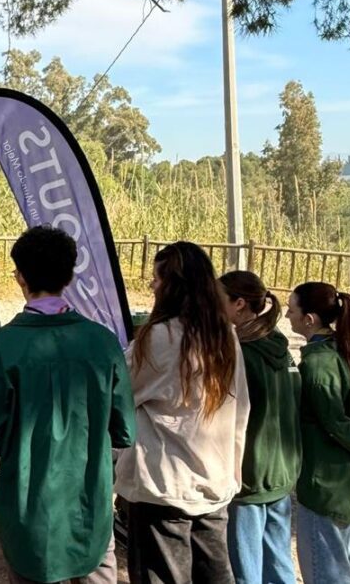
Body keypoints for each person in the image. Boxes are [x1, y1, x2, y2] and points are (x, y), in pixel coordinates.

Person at [0, 226, 135, 584]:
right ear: (69, 276)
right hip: (88, 500)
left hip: (27, 502)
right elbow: (124, 429)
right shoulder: (103, 343)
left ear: (19, 277)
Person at [114, 241, 249, 584]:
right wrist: (232, 472)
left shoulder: (160, 338)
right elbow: (241, 409)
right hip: (213, 482)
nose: (152, 286)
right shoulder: (225, 336)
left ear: (172, 285)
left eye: (157, 279)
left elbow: (118, 394)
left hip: (164, 486)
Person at [287, 282, 350, 583]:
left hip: (325, 484)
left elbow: (336, 425)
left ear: (310, 319)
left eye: (292, 309)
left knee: (327, 570)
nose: (287, 315)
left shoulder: (317, 366)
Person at [219, 272, 301, 584]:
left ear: (239, 304)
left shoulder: (241, 354)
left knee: (246, 570)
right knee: (279, 564)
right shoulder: (280, 348)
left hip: (250, 475)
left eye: (218, 298)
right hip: (281, 472)